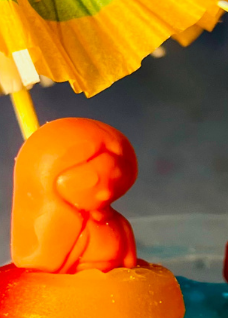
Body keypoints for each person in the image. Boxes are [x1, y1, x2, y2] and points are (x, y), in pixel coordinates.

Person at [10, 117, 138, 274]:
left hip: (120, 278)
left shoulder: (119, 222)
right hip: (81, 277)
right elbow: (67, 256)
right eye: (87, 181)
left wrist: (131, 268)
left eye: (116, 178)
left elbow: (129, 252)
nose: (106, 193)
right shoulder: (66, 228)